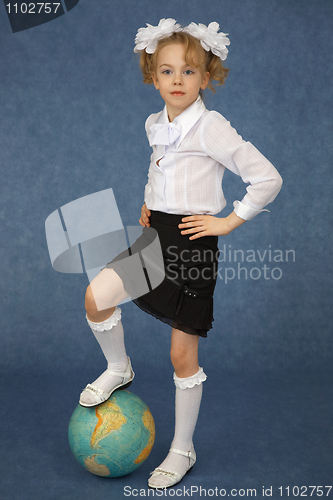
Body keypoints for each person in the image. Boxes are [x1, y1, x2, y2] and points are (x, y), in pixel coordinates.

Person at [79, 19, 283, 489]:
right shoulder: (155, 122)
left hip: (193, 245)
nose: (177, 81)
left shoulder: (211, 126)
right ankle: (118, 367)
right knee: (97, 296)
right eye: (166, 71)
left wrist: (229, 220)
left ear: (206, 78)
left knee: (180, 354)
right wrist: (151, 201)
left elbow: (267, 177)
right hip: (156, 237)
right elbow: (163, 168)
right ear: (153, 77)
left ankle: (181, 449)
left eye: (189, 72)